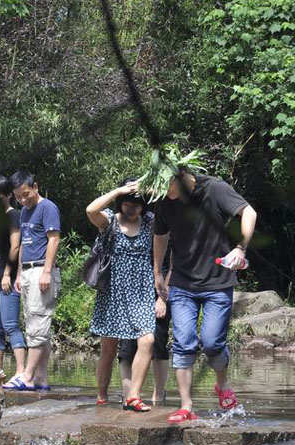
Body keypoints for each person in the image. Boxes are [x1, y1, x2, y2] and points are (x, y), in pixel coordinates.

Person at [153, 166, 257, 422]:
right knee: (183, 342)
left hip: (218, 282)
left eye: (167, 186)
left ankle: (222, 385)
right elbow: (160, 235)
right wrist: (157, 270)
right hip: (182, 284)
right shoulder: (164, 201)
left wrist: (241, 248)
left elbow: (249, 212)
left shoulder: (215, 188)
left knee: (212, 343)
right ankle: (186, 406)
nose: (165, 193)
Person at [86, 180, 158, 411]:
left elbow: (170, 205)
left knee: (147, 340)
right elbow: (90, 210)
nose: (131, 208)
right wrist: (118, 189)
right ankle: (102, 396)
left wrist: (148, 189)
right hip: (113, 291)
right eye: (126, 203)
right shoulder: (109, 221)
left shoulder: (150, 222)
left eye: (136, 204)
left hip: (141, 290)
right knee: (108, 348)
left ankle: (133, 396)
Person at [9, 170, 61, 391]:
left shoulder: (48, 207)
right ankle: (40, 378)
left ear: (36, 186)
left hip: (42, 270)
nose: (22, 199)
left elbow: (54, 239)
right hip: (28, 271)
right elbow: (23, 245)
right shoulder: (23, 212)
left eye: (26, 194)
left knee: (38, 325)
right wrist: (19, 273)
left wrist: (47, 272)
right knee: (35, 326)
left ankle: (27, 376)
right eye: (18, 197)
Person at [118, 238, 173, 406]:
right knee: (127, 346)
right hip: (132, 292)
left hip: (160, 292)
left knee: (158, 343)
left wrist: (162, 299)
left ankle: (159, 395)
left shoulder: (169, 227)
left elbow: (173, 267)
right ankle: (128, 395)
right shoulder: (134, 227)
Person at [0, 175, 26, 380]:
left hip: (6, 278)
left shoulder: (14, 216)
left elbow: (15, 246)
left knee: (10, 325)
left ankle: (20, 372)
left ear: (9, 195)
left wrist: (8, 273)